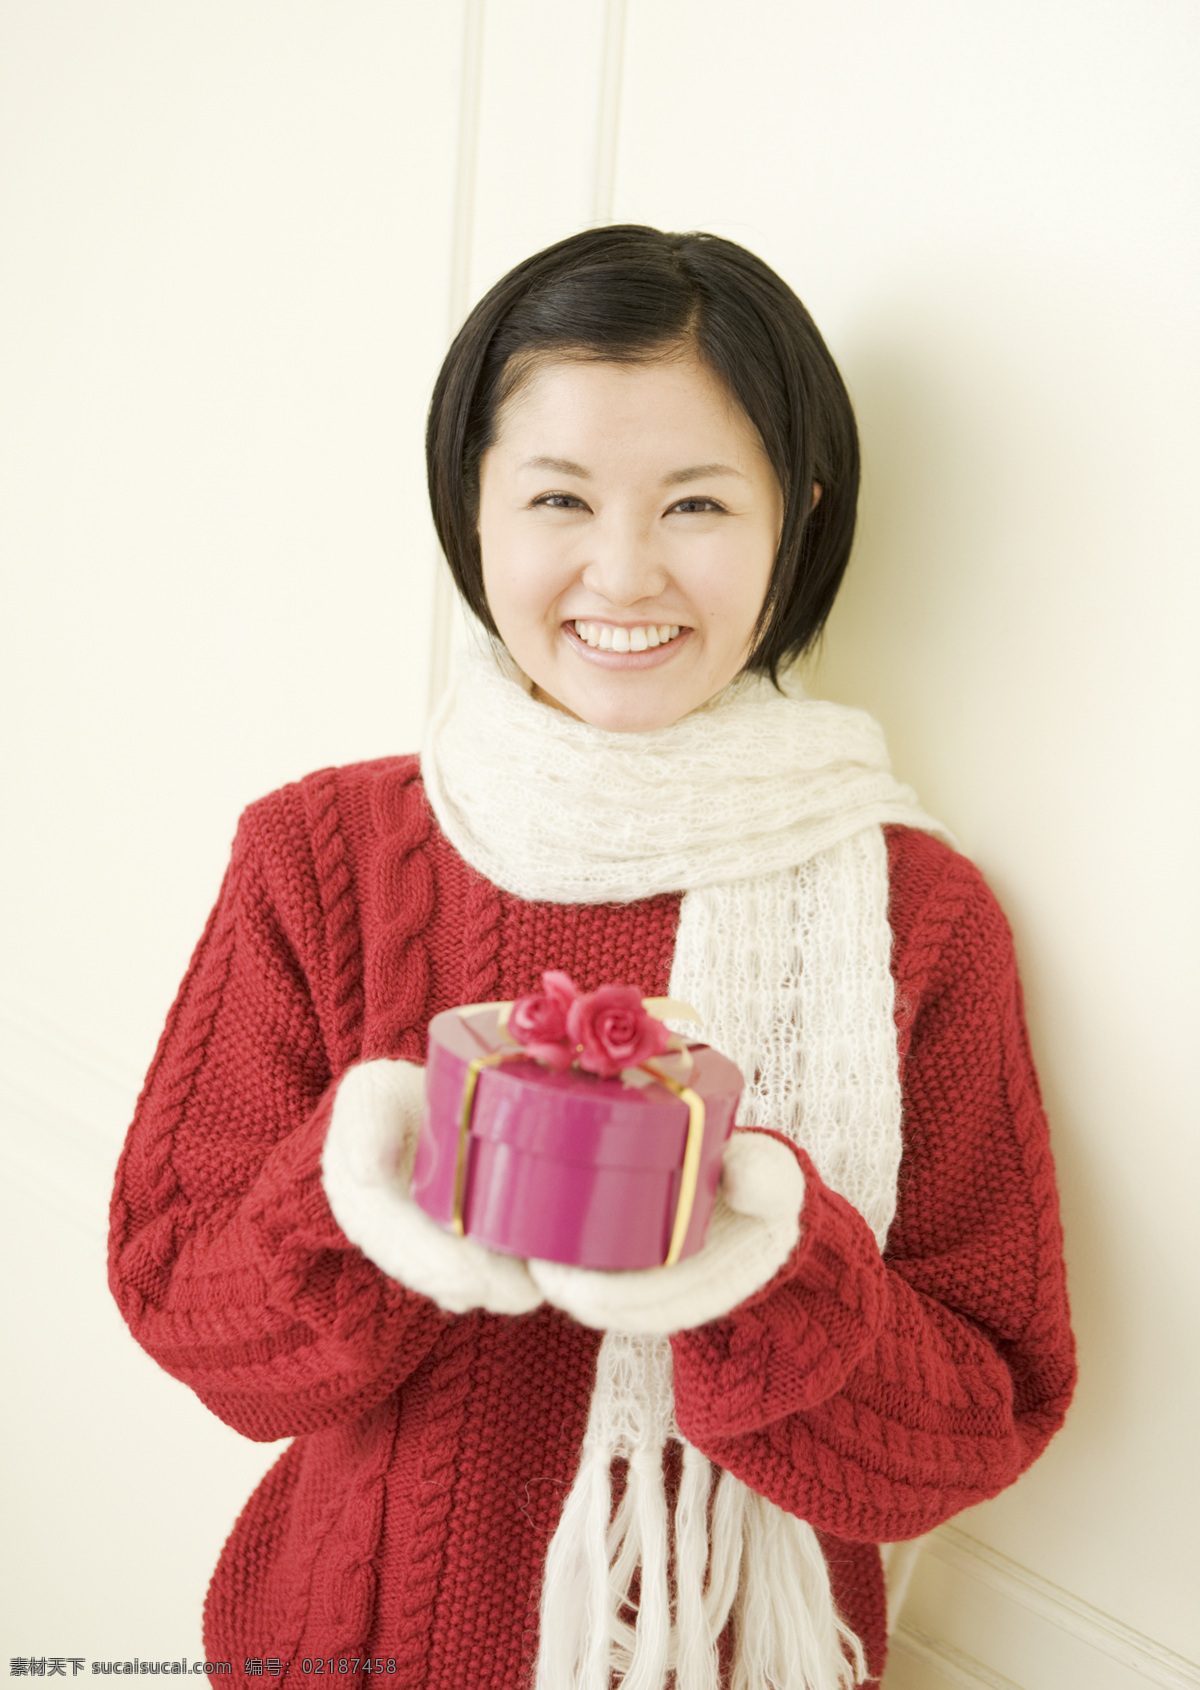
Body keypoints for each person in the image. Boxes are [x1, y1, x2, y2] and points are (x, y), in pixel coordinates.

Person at [108, 226, 1076, 1689]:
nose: (624, 570)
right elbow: (191, 1314)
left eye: (697, 502)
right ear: (474, 508)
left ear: (796, 524)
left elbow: (984, 1413)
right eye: (558, 495)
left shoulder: (916, 918)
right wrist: (356, 1196)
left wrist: (766, 1267)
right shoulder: (321, 854)